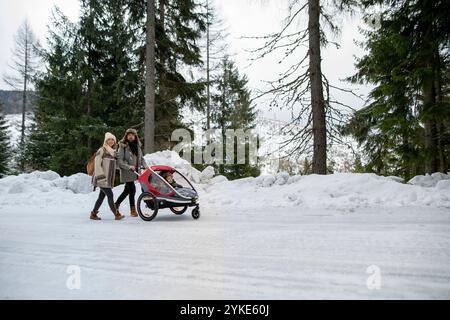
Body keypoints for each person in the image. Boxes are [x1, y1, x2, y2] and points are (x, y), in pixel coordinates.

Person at [90, 132, 124, 221]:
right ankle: (116, 214)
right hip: (101, 178)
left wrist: (123, 168)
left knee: (101, 197)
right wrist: (100, 177)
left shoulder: (113, 152)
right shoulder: (102, 150)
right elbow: (97, 164)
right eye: (109, 139)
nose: (111, 141)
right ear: (106, 141)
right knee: (110, 195)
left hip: (107, 179)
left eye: (112, 139)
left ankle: (93, 213)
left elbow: (114, 166)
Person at [115, 128, 147, 217]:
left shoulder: (137, 146)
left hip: (135, 171)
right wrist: (129, 167)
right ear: (126, 136)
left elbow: (141, 158)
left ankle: (116, 204)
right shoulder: (123, 146)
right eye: (129, 135)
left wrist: (145, 166)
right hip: (127, 172)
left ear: (135, 136)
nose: (130, 136)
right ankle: (132, 210)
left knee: (127, 190)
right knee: (132, 190)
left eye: (132, 135)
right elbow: (120, 160)